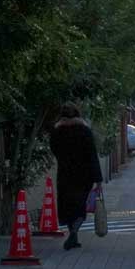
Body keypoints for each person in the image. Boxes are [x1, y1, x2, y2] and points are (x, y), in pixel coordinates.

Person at [49, 102, 103, 250]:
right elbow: (92, 154)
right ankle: (74, 232)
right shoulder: (84, 130)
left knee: (67, 205)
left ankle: (72, 233)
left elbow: (53, 148)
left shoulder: (57, 131)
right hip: (84, 174)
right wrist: (98, 179)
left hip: (65, 172)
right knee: (80, 205)